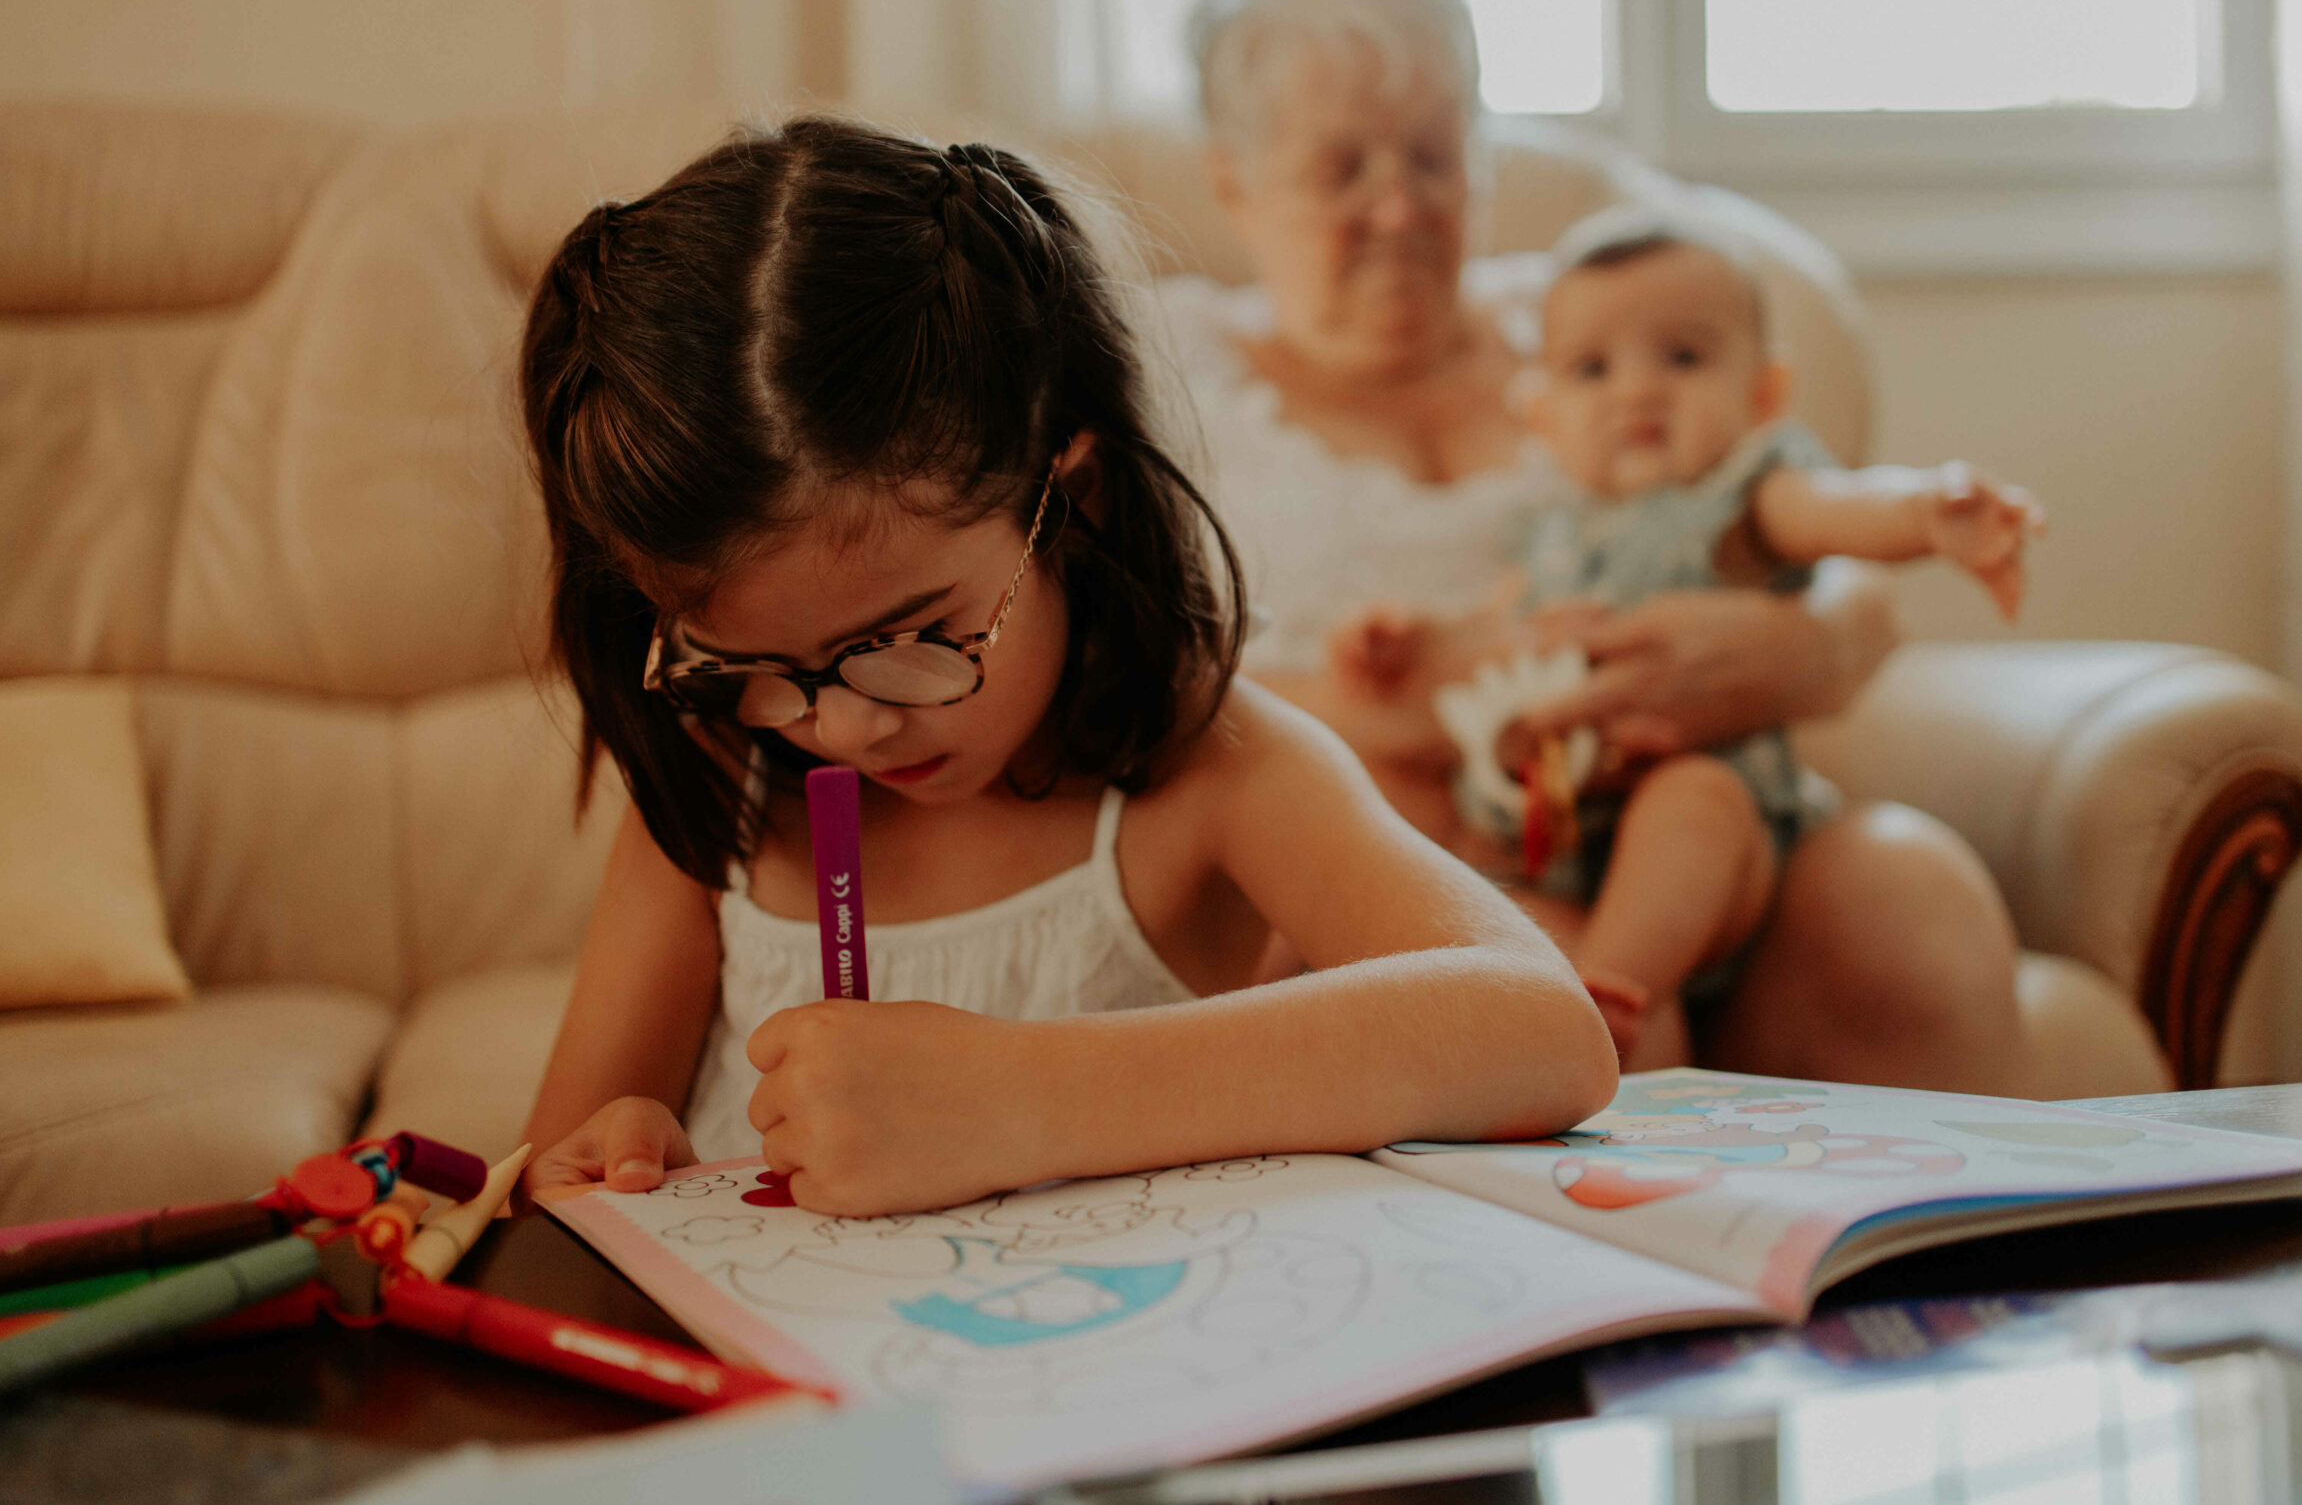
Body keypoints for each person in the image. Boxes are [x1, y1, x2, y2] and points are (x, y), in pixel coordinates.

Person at [512, 118, 1617, 1218]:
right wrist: (613, 1157)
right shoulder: (721, 779)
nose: (843, 730)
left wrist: (1020, 1097)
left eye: (907, 641)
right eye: (752, 663)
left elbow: (1543, 1032)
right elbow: (552, 1177)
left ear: (1068, 501)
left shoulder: (1214, 773)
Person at [1164, 0, 2053, 1095]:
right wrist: (1421, 698)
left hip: (1678, 804)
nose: (1399, 210)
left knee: (1910, 895)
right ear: (1235, 179)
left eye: (1433, 157)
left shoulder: (1599, 324)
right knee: (1564, 990)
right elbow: (1101, 677)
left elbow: (1799, 518)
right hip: (1384, 833)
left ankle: (1942, 1276)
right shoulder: (1166, 364)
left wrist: (1801, 647)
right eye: (1343, 171)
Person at [1327, 214, 2045, 1070]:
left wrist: (1927, 510)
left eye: (1683, 357)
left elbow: (1838, 508)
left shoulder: (1742, 499)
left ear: (1763, 395)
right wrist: (1410, 635)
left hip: (1720, 851)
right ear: (1545, 416)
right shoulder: (1547, 531)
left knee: (1693, 795)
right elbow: (1502, 630)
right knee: (1458, 847)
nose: (1637, 392)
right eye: (1594, 369)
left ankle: (1610, 990)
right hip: (1565, 835)